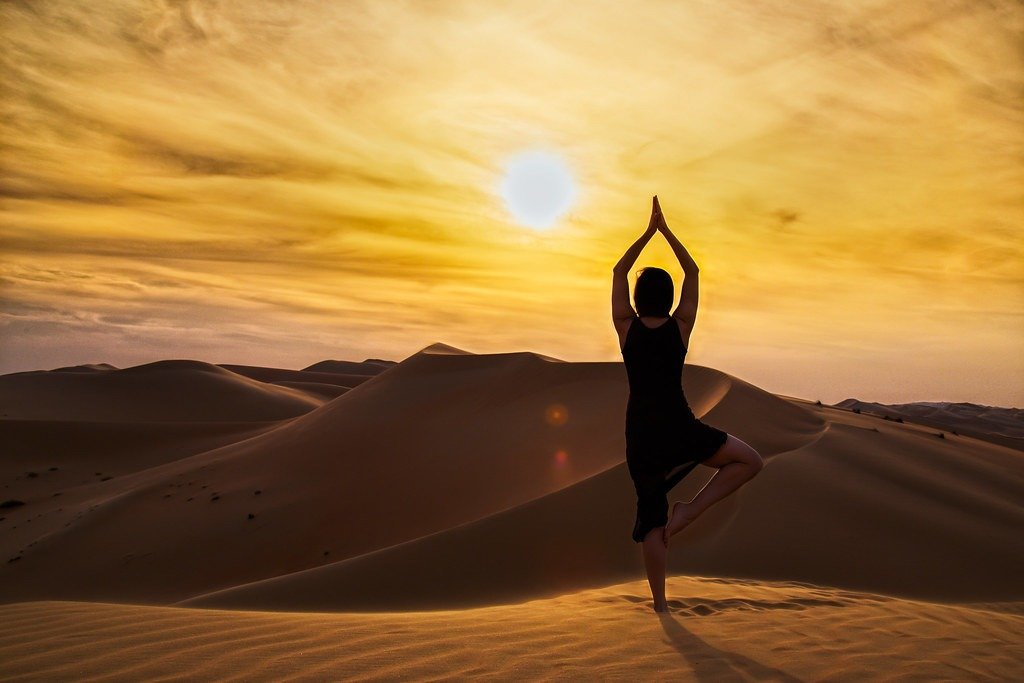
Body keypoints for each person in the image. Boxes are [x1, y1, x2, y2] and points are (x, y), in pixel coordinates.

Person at [611, 195, 764, 613]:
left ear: (639, 298)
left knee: (650, 521)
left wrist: (646, 234)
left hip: (641, 433)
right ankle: (690, 513)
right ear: (670, 296)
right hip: (678, 426)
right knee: (749, 461)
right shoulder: (680, 328)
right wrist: (666, 232)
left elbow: (618, 270)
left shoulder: (626, 329)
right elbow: (693, 270)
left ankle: (660, 604)